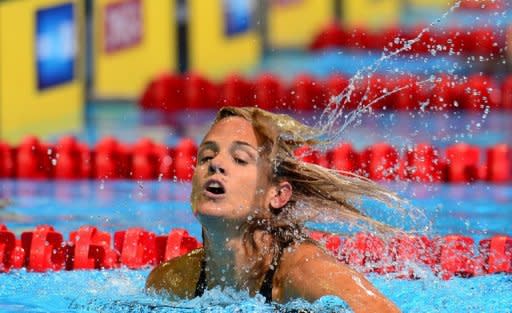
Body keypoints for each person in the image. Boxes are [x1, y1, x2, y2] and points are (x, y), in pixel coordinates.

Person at [146, 107, 401, 313]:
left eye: (240, 159)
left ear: (277, 195)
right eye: (206, 157)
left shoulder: (307, 274)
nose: (216, 164)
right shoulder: (172, 282)